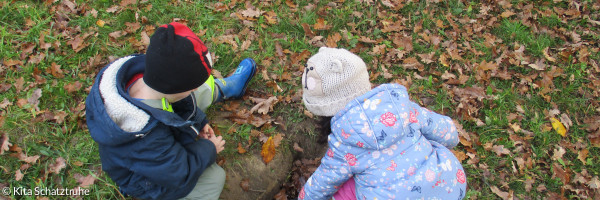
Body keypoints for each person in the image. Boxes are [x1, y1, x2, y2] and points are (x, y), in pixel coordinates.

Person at [85, 22, 256, 200]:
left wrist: (200, 121)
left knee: (193, 94)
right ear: (173, 89)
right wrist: (209, 148)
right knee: (214, 178)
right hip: (146, 181)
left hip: (158, 148)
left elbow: (183, 100)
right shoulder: (146, 137)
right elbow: (179, 173)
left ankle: (223, 89)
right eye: (191, 88)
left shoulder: (153, 77)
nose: (192, 91)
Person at [298, 47, 467, 200]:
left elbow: (323, 182)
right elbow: (448, 132)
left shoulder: (344, 142)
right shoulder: (400, 106)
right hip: (449, 185)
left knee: (343, 191)